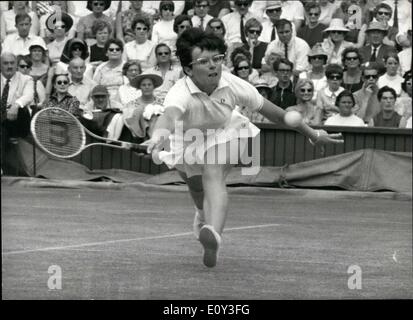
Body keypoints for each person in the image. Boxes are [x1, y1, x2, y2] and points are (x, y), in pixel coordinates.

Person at [143, 28, 343, 268]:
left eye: (217, 59)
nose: (213, 66)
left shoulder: (233, 84)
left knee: (213, 171)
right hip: (188, 139)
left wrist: (313, 134)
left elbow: (279, 115)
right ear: (188, 69)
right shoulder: (179, 92)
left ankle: (214, 235)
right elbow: (169, 116)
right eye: (203, 62)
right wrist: (158, 137)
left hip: (226, 131)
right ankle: (201, 214)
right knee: (196, 188)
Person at [1, 52, 33, 164]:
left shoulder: (26, 79)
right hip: (3, 121)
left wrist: (16, 105)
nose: (9, 66)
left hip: (19, 121)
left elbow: (28, 96)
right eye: (5, 63)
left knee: (21, 108)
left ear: (16, 65)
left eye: (12, 63)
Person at [123, 73, 164, 140]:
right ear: (140, 87)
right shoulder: (131, 104)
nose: (146, 87)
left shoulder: (162, 103)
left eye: (149, 85)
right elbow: (128, 120)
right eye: (143, 85)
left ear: (154, 86)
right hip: (138, 139)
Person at [93, 38, 125, 102]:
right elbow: (95, 86)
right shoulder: (100, 68)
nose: (114, 51)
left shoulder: (126, 67)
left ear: (121, 52)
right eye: (111, 50)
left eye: (117, 49)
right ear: (106, 53)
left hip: (123, 99)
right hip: (103, 100)